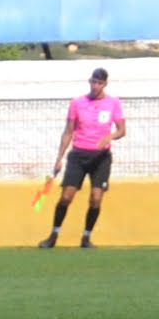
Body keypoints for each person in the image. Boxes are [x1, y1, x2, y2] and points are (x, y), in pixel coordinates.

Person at [44, 69, 125, 248]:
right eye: (93, 82)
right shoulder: (77, 103)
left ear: (105, 84)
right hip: (79, 155)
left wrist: (109, 137)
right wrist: (59, 158)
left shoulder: (113, 103)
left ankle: (86, 237)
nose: (95, 86)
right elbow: (68, 131)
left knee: (96, 198)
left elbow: (121, 130)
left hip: (101, 158)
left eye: (99, 83)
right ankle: (53, 235)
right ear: (90, 81)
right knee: (66, 196)